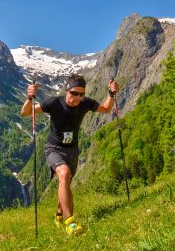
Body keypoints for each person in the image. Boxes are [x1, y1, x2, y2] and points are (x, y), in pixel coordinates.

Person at [20, 73, 119, 236]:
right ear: (67, 91)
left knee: (65, 182)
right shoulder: (53, 103)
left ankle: (58, 216)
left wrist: (111, 94)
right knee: (64, 174)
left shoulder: (86, 103)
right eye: (74, 93)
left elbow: (106, 109)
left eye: (81, 94)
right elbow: (25, 113)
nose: (78, 98)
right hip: (54, 147)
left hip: (72, 150)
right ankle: (70, 224)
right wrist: (29, 98)